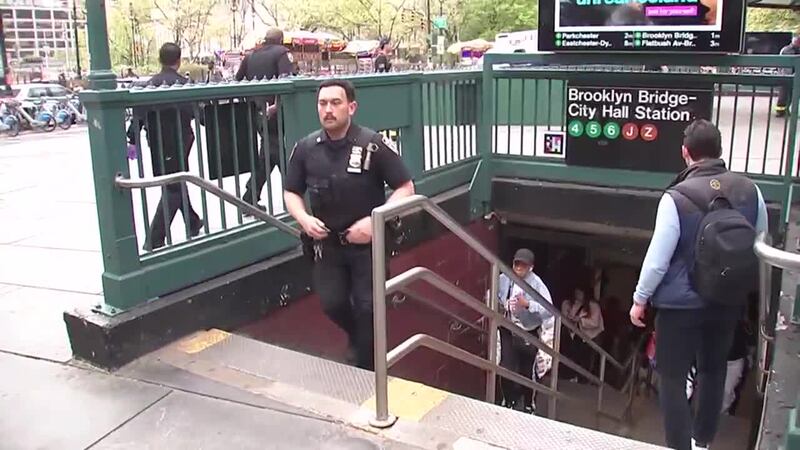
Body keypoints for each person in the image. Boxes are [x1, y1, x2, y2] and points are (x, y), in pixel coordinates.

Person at [630, 119, 768, 450]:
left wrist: (640, 299)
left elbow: (658, 259)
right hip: (726, 300)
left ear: (685, 153)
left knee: (673, 378)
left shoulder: (676, 197)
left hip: (680, 305)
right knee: (712, 370)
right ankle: (701, 442)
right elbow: (761, 242)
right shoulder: (751, 191)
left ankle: (679, 446)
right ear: (720, 151)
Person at [282, 79, 415, 370]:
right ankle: (360, 341)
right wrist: (303, 219)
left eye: (336, 103)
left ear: (351, 107)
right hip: (327, 245)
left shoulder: (373, 145)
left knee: (369, 308)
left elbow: (406, 188)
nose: (328, 110)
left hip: (367, 246)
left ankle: (368, 368)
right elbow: (291, 191)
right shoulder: (305, 148)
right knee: (332, 304)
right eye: (322, 103)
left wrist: (376, 219)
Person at [126, 42, 204, 251]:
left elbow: (138, 117)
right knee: (175, 184)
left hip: (157, 142)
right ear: (178, 61)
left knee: (172, 182)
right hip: (181, 140)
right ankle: (156, 237)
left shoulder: (151, 84)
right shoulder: (183, 84)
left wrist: (132, 140)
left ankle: (192, 222)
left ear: (160, 60)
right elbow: (199, 114)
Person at [236, 28, 295, 211]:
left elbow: (238, 80)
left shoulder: (251, 56)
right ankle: (296, 192)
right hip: (275, 111)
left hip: (257, 111)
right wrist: (276, 105)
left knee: (269, 152)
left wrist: (252, 102)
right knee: (277, 152)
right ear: (281, 40)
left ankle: (250, 195)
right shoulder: (282, 54)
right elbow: (285, 81)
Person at [495, 248, 553, 414]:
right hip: (507, 326)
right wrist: (502, 304)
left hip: (528, 331)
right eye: (516, 264)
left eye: (523, 265)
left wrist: (528, 305)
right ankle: (509, 400)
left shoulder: (537, 284)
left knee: (527, 371)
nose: (519, 267)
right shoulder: (503, 278)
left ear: (531, 267)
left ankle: (528, 404)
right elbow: (493, 295)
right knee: (506, 366)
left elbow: (549, 309)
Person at [561, 286, 604, 381]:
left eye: (580, 292)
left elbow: (595, 322)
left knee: (586, 358)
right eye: (576, 292)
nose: (578, 294)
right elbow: (563, 317)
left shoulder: (593, 305)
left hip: (590, 336)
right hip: (572, 334)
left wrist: (580, 320)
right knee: (571, 355)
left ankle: (583, 379)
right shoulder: (568, 303)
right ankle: (570, 376)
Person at [776, 34, 800, 117]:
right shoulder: (786, 50)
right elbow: (781, 64)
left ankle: (790, 110)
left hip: (796, 76)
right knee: (784, 94)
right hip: (786, 76)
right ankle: (780, 111)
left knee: (792, 95)